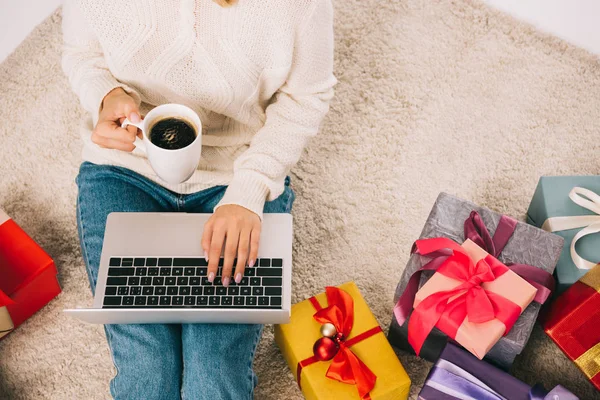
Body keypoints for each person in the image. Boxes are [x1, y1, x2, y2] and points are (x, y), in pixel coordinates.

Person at [61, 0, 335, 398]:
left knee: (214, 371)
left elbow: (306, 96)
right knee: (147, 367)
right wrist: (106, 95)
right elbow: (82, 53)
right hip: (125, 168)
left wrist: (249, 191)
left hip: (238, 171)